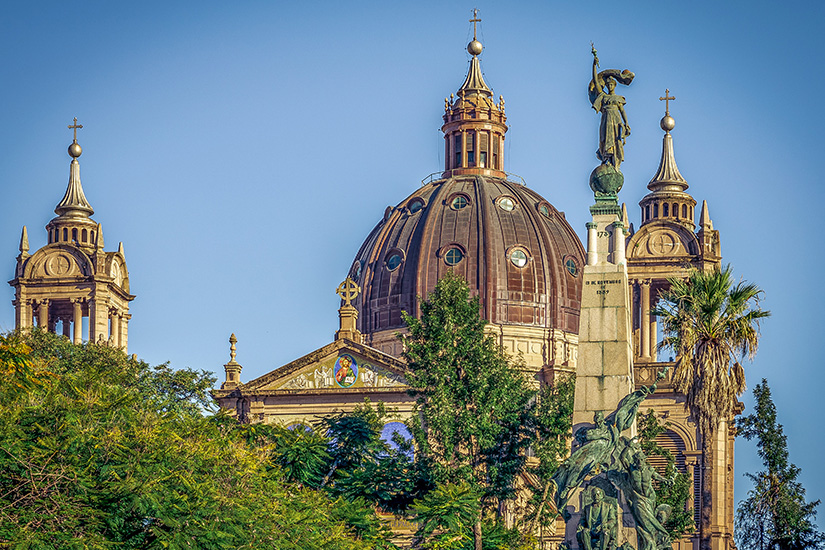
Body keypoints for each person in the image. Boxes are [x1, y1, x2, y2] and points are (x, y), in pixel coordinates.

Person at [588, 47, 634, 170]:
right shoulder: (603, 96)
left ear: (615, 85)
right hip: (606, 118)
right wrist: (594, 65)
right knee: (604, 138)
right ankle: (606, 158)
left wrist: (626, 123)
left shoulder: (618, 98)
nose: (610, 86)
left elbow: (622, 111)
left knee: (615, 139)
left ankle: (615, 161)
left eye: (612, 84)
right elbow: (596, 82)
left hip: (616, 118)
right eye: (608, 84)